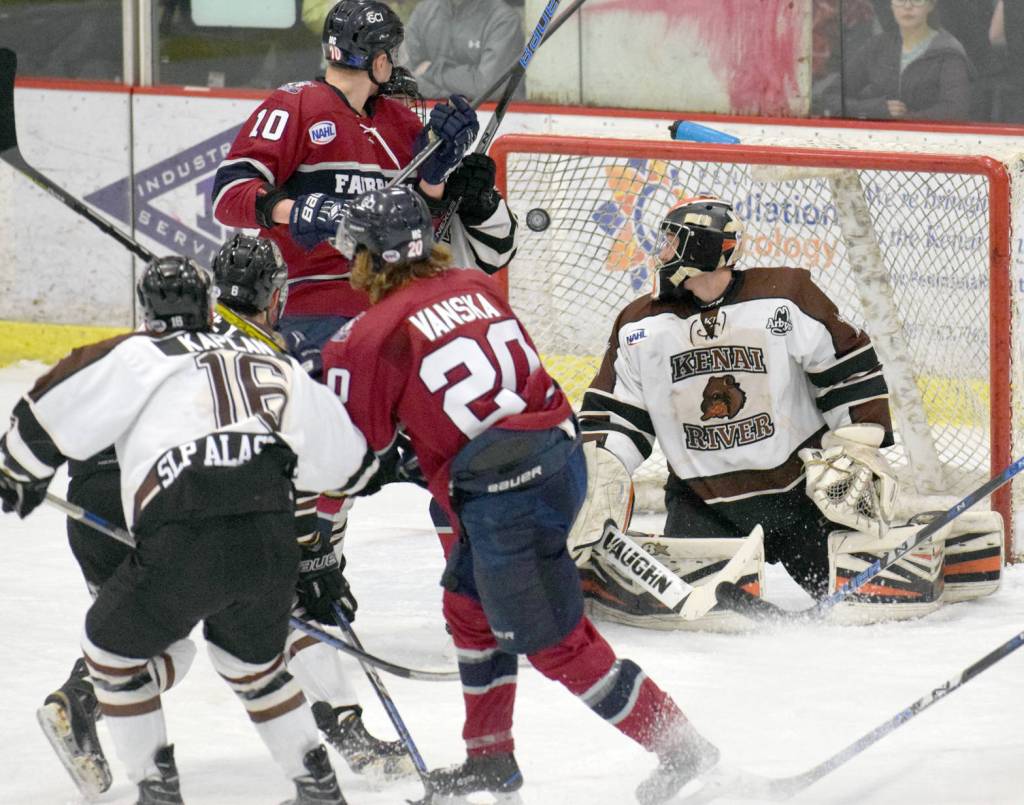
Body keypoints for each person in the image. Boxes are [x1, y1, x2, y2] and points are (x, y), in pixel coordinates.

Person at [319, 186, 720, 805]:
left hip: (507, 494)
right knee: (467, 607)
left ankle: (680, 746)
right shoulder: (474, 286)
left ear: (370, 256)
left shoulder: (363, 338)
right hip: (560, 458)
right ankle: (490, 759)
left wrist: (312, 536)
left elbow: (351, 460)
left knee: (557, 644)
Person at [0, 255, 374, 805]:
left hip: (169, 518)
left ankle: (151, 784)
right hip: (263, 529)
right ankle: (318, 786)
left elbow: (44, 412)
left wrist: (18, 473)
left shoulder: (133, 353)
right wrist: (314, 553)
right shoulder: (268, 358)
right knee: (252, 664)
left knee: (117, 652)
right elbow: (349, 465)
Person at [576, 197, 896, 603]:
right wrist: (599, 470)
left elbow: (845, 365)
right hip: (704, 504)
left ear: (702, 247)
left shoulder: (785, 296)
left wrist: (856, 445)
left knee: (866, 601)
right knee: (704, 619)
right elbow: (618, 414)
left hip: (801, 498)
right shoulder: (641, 325)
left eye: (672, 241)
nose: (662, 252)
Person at [212, 0, 518, 354]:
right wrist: (304, 211)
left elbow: (419, 233)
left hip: (392, 308)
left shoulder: (402, 123)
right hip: (308, 306)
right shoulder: (294, 104)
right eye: (393, 54)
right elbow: (228, 195)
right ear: (380, 61)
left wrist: (434, 177)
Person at [841, 0, 973, 120]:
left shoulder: (948, 52)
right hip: (876, 135)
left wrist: (904, 120)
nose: (908, 6)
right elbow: (833, 96)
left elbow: (956, 110)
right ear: (891, 5)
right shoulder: (877, 46)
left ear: (931, 5)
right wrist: (876, 109)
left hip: (928, 136)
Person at [403, 0, 526, 100]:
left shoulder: (504, 20)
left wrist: (430, 70)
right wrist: (461, 92)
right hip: (432, 114)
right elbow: (403, 79)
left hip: (492, 119)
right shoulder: (423, 12)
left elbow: (488, 88)